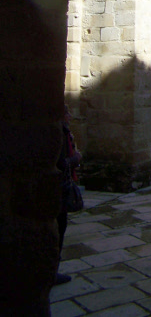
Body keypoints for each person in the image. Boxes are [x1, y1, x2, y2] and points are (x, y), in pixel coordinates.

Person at [54, 105, 82, 285]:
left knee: (60, 227)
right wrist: (75, 159)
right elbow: (60, 162)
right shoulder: (58, 133)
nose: (70, 116)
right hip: (59, 188)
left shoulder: (63, 131)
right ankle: (51, 271)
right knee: (58, 228)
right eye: (67, 113)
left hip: (61, 186)